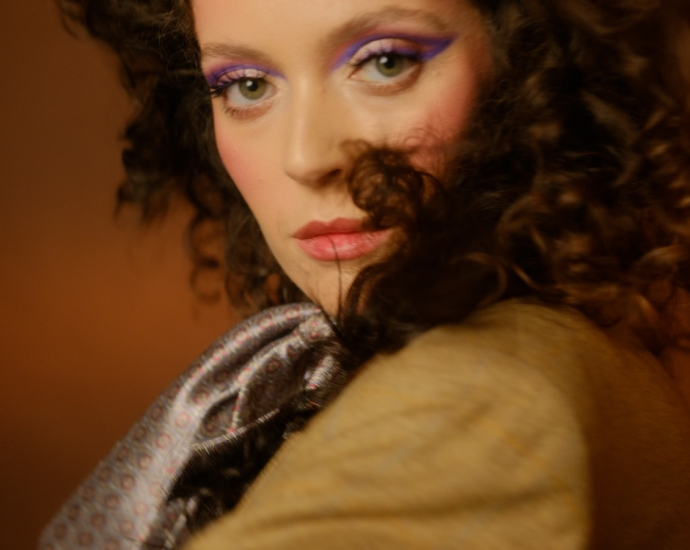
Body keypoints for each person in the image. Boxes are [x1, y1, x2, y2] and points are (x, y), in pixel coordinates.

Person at [40, 0, 690, 548]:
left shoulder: (479, 395)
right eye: (245, 84)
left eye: (385, 62)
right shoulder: (577, 336)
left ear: (535, 61)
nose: (305, 157)